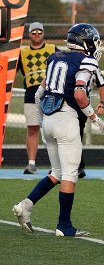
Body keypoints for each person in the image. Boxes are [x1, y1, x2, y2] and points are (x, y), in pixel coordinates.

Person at [12, 23, 104, 237]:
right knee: (70, 173)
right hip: (66, 119)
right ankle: (64, 225)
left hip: (49, 119)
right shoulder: (86, 61)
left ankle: (25, 205)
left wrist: (42, 120)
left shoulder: (55, 57)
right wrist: (94, 117)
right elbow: (80, 95)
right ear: (86, 42)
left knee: (57, 172)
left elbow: (39, 94)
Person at [15, 21, 56, 174]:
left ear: (43, 33)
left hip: (51, 96)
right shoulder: (22, 53)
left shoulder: (53, 49)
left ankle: (56, 164)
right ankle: (31, 164)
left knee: (52, 130)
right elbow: (10, 71)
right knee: (32, 128)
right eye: (34, 32)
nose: (37, 35)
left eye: (40, 32)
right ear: (29, 34)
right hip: (30, 96)